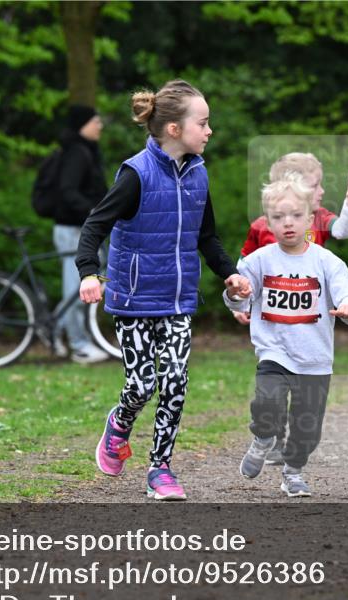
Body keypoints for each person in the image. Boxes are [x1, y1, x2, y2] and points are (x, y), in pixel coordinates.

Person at [75, 80, 251, 501]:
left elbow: (206, 236)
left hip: (177, 301)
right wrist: (88, 272)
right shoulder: (136, 174)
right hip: (134, 300)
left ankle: (161, 469)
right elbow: (95, 226)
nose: (210, 131)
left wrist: (229, 272)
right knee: (141, 385)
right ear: (174, 128)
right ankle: (119, 424)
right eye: (203, 123)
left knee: (174, 381)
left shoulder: (198, 173)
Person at [224, 175, 348, 497]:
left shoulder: (326, 261)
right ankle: (263, 438)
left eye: (296, 216)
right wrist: (235, 295)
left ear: (311, 217)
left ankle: (293, 471)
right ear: (267, 222)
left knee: (307, 428)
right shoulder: (258, 261)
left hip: (315, 357)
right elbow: (240, 298)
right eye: (278, 217)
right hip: (274, 350)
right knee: (267, 400)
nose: (288, 223)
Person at [53, 105, 110, 363]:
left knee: (79, 287)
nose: (100, 126)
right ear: (82, 125)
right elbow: (67, 190)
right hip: (75, 229)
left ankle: (56, 332)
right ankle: (79, 345)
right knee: (79, 288)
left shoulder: (85, 151)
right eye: (95, 121)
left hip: (80, 228)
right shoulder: (77, 153)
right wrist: (93, 214)